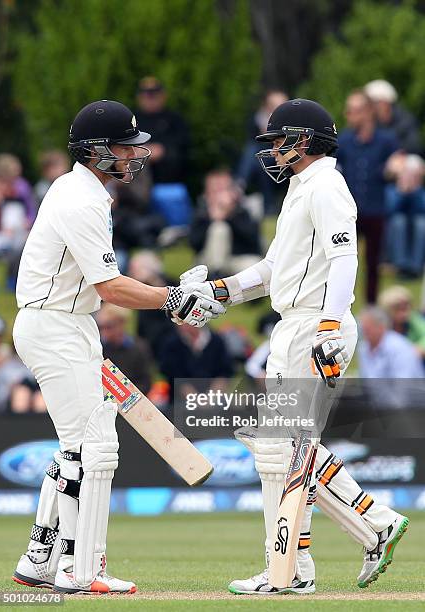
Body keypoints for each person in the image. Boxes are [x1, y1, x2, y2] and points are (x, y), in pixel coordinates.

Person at [179, 99, 408, 594]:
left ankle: (289, 570)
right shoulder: (304, 189)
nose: (273, 151)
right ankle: (374, 524)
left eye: (279, 141)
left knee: (278, 450)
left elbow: (346, 259)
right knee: (283, 449)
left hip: (312, 328)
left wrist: (327, 328)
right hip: (296, 325)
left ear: (302, 141)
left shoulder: (327, 186)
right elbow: (271, 270)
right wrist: (220, 292)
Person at [11, 99, 224, 595]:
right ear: (96, 151)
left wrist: (171, 297)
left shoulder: (84, 192)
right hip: (54, 324)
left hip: (69, 322)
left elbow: (102, 288)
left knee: (79, 445)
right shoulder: (79, 199)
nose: (133, 154)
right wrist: (173, 298)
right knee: (92, 448)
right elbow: (110, 287)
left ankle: (40, 559)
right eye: (124, 146)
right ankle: (75, 568)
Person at [337, 90, 399, 303]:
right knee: (343, 258)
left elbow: (396, 165)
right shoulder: (344, 140)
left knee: (373, 262)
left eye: (354, 110)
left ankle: (371, 304)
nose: (349, 115)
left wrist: (392, 169)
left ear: (367, 112)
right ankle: (341, 302)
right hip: (349, 209)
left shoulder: (386, 140)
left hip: (375, 207)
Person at [135, 77, 192, 226]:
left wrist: (156, 151)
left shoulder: (174, 120)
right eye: (146, 94)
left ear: (163, 95)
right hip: (137, 182)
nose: (150, 98)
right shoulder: (132, 121)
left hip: (168, 178)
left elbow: (177, 149)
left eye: (154, 94)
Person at [189, 168, 262, 277]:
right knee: (219, 228)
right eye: (215, 190)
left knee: (256, 268)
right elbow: (194, 244)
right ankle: (216, 278)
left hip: (238, 259)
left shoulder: (242, 211)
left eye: (223, 189)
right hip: (209, 263)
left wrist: (229, 216)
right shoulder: (202, 213)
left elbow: (253, 240)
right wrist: (212, 220)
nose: (219, 194)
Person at [236, 90, 289, 212]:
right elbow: (256, 137)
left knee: (255, 156)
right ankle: (241, 186)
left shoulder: (291, 120)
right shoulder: (259, 117)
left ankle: (240, 183)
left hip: (285, 155)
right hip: (266, 155)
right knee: (256, 157)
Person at [96, 302, 152, 395]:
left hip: (133, 401)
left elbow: (145, 381)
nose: (104, 333)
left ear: (122, 323)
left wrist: (127, 396)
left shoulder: (138, 348)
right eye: (101, 328)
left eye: (109, 327)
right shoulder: (98, 349)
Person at [385, 153, 425, 277]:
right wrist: (402, 193)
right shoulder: (392, 189)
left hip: (416, 224)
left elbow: (421, 209)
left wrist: (414, 192)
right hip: (397, 226)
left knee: (421, 224)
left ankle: (415, 267)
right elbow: (390, 210)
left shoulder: (421, 191)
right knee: (398, 221)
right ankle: (401, 265)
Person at [359, 305, 424, 379]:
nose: (363, 332)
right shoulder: (363, 347)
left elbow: (404, 386)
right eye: (363, 328)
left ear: (381, 327)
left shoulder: (400, 348)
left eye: (368, 329)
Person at [364, 80, 422, 154]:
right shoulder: (371, 121)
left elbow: (415, 146)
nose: (371, 107)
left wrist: (393, 152)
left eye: (374, 102)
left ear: (385, 102)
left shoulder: (405, 120)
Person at [378, 285, 425, 360]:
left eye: (406, 307)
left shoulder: (414, 320)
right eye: (398, 308)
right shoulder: (382, 324)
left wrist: (415, 350)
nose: (404, 313)